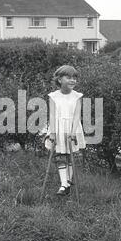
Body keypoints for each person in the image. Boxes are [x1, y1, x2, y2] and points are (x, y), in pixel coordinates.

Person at [45, 65, 86, 196]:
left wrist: (73, 132)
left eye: (75, 77)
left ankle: (68, 182)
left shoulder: (77, 96)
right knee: (60, 155)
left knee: (70, 155)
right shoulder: (53, 96)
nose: (72, 80)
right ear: (59, 80)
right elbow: (52, 115)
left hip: (72, 128)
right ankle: (64, 184)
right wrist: (52, 132)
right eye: (68, 77)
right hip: (58, 127)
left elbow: (76, 115)